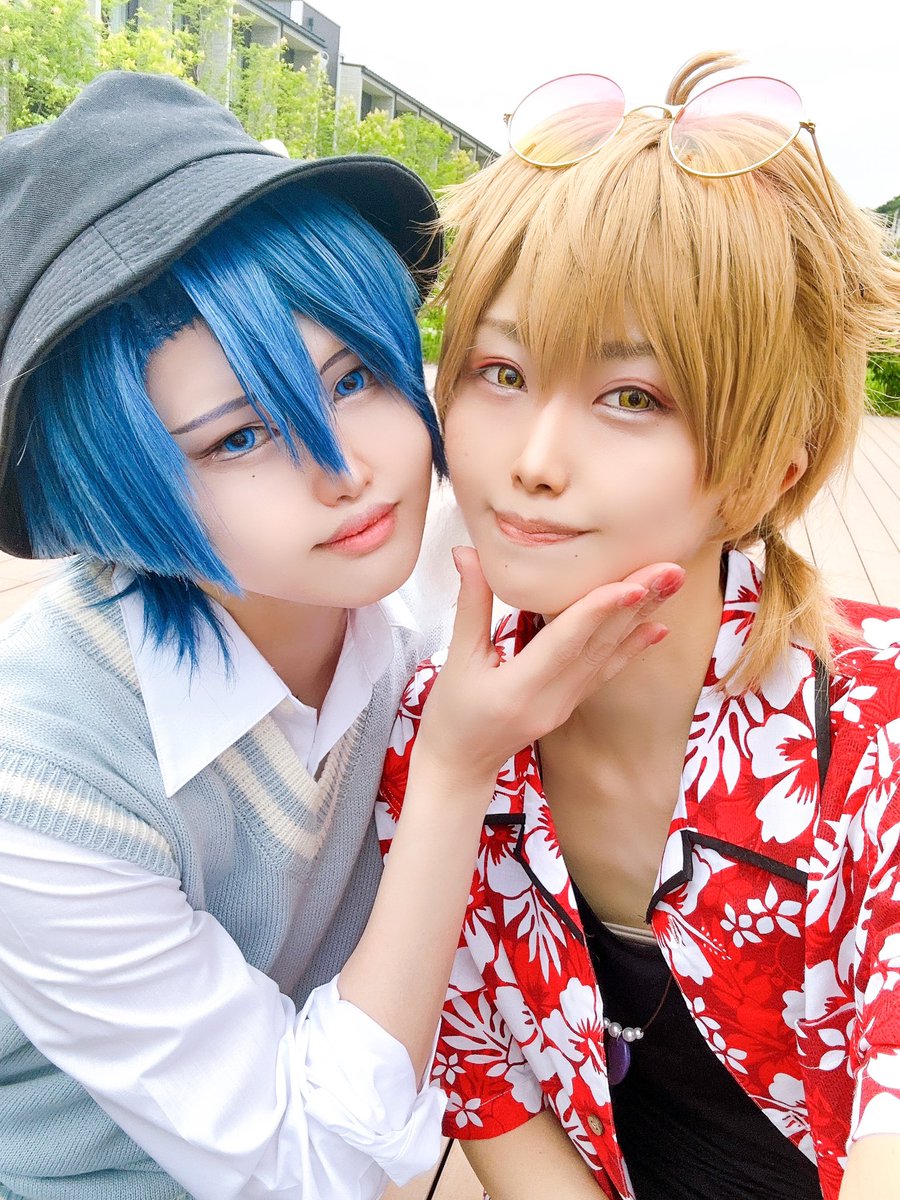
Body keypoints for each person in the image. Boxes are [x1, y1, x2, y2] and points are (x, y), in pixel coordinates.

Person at [0, 72, 675, 1200]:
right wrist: (453, 767)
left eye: (355, 377)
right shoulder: (46, 783)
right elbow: (303, 1167)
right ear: (108, 486)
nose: (345, 468)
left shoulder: (422, 565)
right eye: (238, 438)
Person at [376, 51, 900, 1200]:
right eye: (500, 370)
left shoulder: (876, 735)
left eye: (631, 397)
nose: (533, 460)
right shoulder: (434, 738)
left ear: (768, 467)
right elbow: (487, 1087)